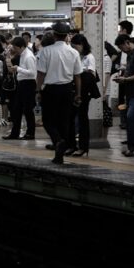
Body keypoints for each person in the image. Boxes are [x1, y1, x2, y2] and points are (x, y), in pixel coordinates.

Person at [36, 23, 82, 163]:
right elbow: (77, 76)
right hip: (67, 90)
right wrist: (78, 94)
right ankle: (59, 155)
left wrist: (38, 90)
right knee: (64, 121)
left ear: (54, 35)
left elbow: (41, 74)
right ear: (67, 36)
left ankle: (57, 140)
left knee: (48, 120)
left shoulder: (46, 51)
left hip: (50, 90)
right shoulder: (74, 52)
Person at [70, 34, 98, 157]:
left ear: (81, 45)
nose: (74, 49)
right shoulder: (75, 56)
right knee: (71, 118)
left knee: (82, 118)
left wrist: (80, 71)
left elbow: (91, 74)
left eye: (75, 47)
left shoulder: (89, 57)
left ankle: (83, 147)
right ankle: (71, 145)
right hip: (74, 88)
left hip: (84, 91)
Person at [4, 36, 36, 140]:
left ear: (22, 46)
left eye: (16, 48)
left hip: (28, 84)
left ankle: (30, 133)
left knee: (28, 110)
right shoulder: (22, 55)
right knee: (17, 109)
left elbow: (32, 73)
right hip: (22, 84)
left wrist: (18, 69)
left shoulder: (29, 56)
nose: (15, 50)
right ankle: (15, 133)